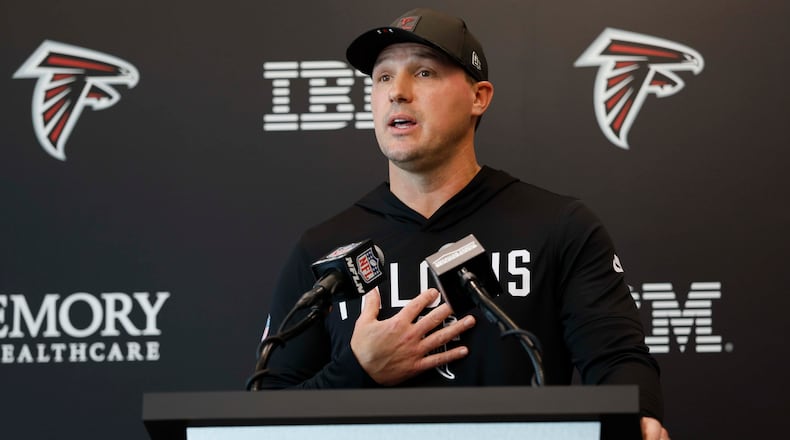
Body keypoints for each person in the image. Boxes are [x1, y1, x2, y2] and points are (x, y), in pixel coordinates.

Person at [259, 7, 669, 440]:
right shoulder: (323, 248)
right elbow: (266, 411)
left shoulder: (559, 227)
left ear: (479, 97)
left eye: (423, 73)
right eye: (382, 77)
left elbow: (617, 358)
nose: (397, 92)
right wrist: (359, 370)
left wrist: (639, 417)